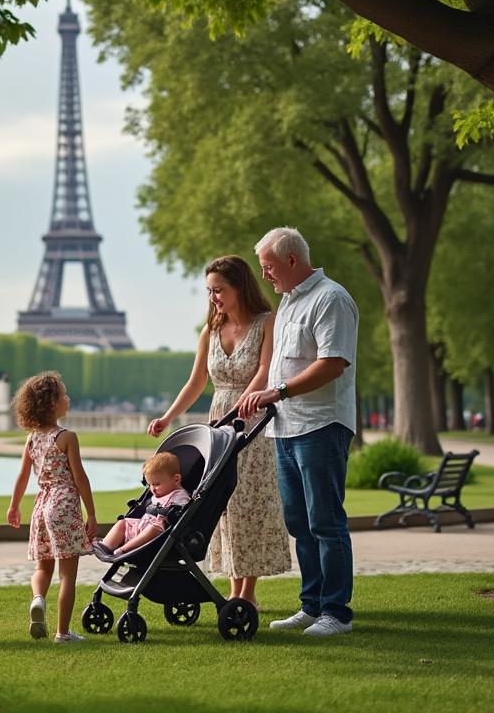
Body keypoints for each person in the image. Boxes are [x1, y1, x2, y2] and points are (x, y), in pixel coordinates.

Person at [148, 255, 292, 608]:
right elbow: (197, 381)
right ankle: (233, 591)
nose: (213, 297)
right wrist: (168, 417)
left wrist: (242, 405)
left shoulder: (266, 322)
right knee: (222, 505)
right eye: (210, 291)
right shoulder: (210, 330)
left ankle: (248, 593)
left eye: (219, 289)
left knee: (250, 505)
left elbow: (264, 369)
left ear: (239, 286)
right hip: (219, 425)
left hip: (252, 420)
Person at [241, 227, 360, 638]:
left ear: (292, 260)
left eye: (269, 267)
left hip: (321, 424)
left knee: (326, 521)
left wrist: (279, 391)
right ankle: (311, 605)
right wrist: (263, 392)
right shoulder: (289, 302)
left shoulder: (331, 298)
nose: (266, 276)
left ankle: (336, 613)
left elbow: (332, 363)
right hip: (287, 429)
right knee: (299, 521)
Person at [6, 371, 98, 644]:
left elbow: (23, 476)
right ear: (51, 404)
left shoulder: (32, 438)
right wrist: (91, 513)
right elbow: (79, 478)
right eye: (63, 395)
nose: (68, 399)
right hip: (64, 504)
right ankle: (62, 633)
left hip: (41, 505)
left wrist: (14, 506)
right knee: (67, 575)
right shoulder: (67, 437)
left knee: (42, 568)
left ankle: (37, 599)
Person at [96, 451, 190, 555]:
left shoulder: (179, 496)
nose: (152, 489)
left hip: (158, 537)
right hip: (141, 528)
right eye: (150, 484)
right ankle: (106, 546)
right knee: (124, 522)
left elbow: (181, 514)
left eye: (156, 484)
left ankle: (124, 549)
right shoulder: (158, 493)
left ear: (176, 480)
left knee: (156, 527)